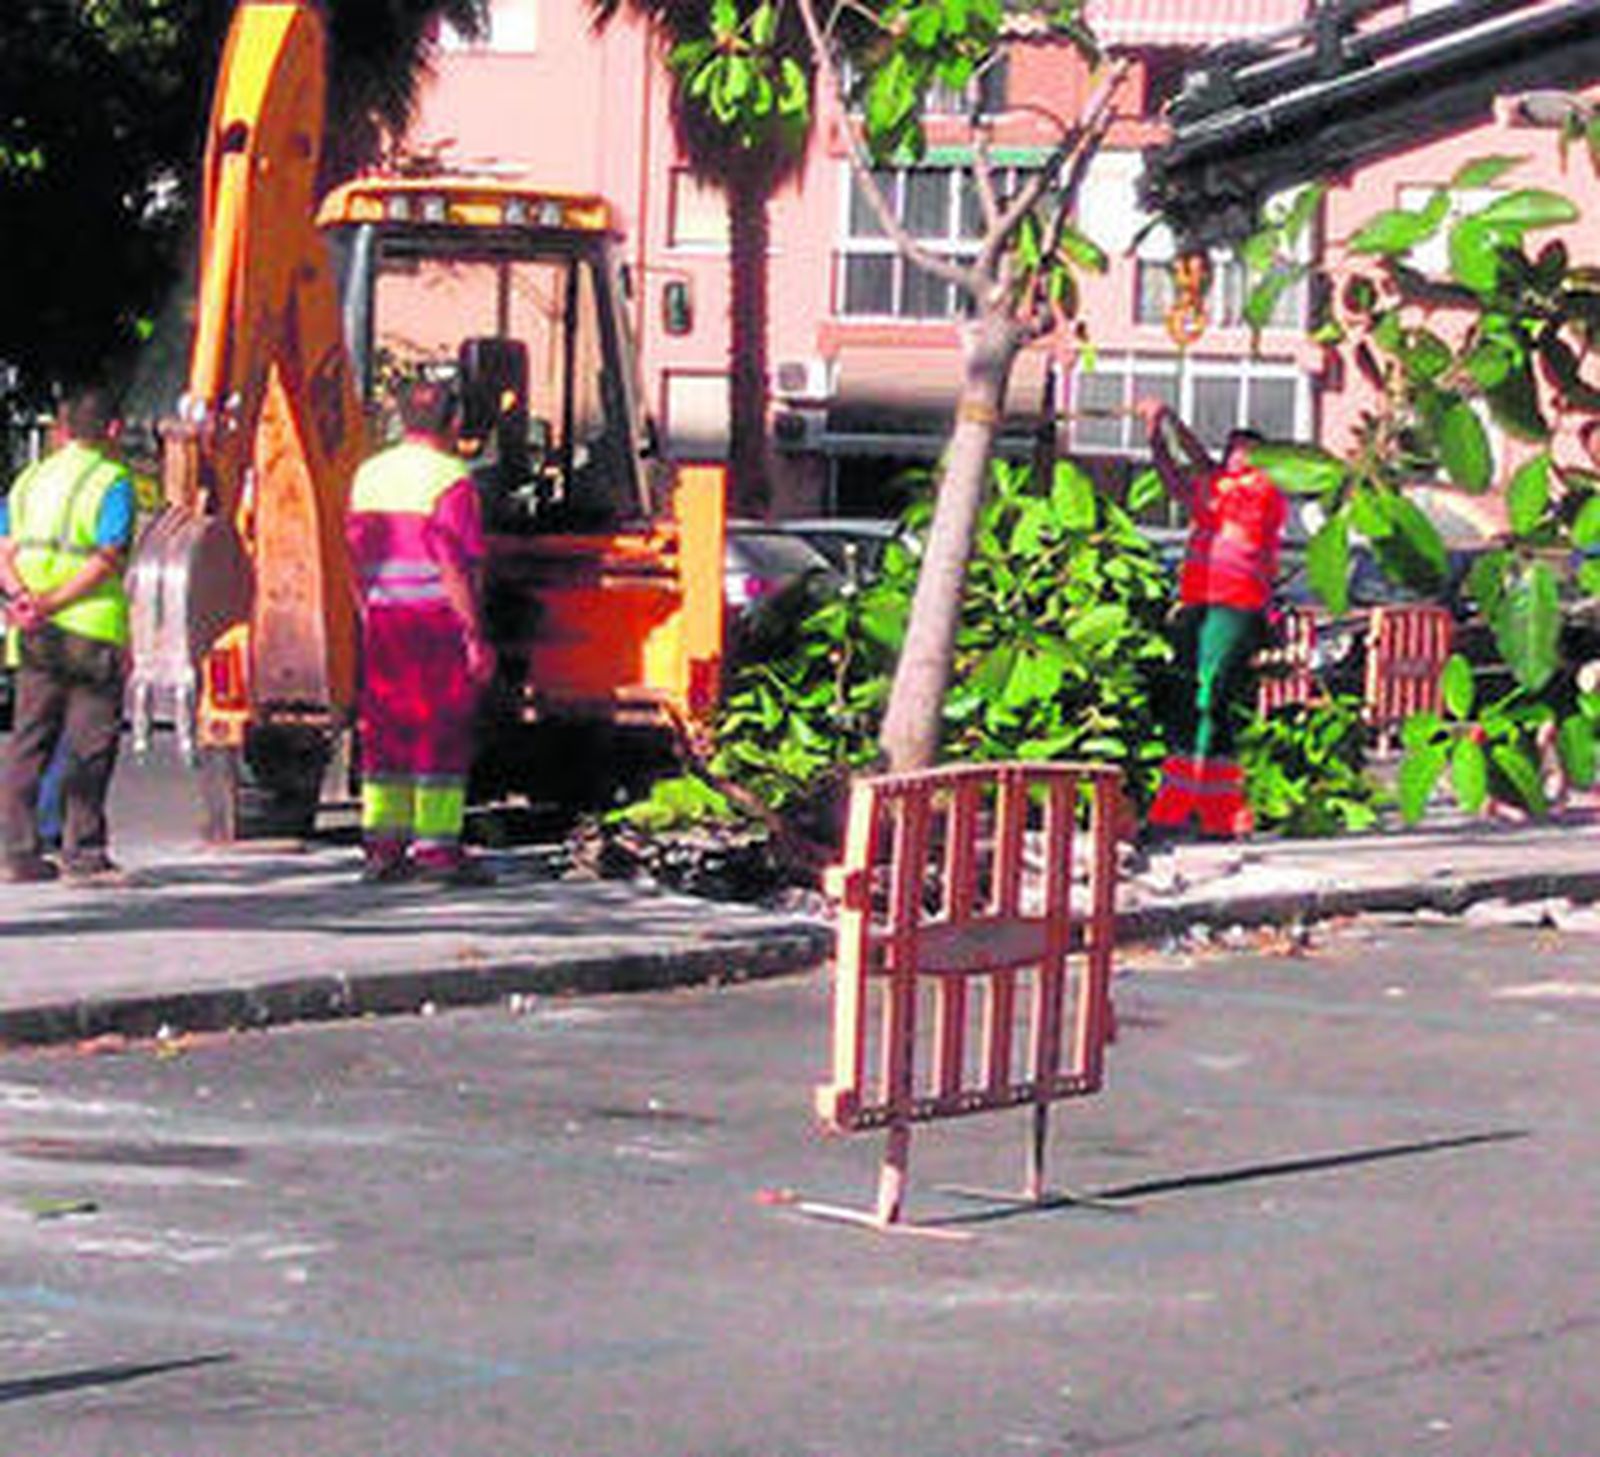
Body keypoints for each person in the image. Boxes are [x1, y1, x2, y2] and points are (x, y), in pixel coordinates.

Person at [346, 376, 496, 885]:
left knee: (386, 730)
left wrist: (366, 611)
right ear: (455, 421)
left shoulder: (369, 475)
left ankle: (382, 847)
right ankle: (435, 850)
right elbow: (453, 564)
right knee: (440, 730)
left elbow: (352, 554)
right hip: (435, 623)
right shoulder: (451, 479)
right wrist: (474, 634)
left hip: (384, 618)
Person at [0, 388, 137, 883]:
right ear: (113, 430)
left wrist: (23, 599)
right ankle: (84, 854)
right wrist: (54, 601)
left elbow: (4, 548)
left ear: (61, 431)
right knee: (89, 742)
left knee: (28, 741)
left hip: (33, 631)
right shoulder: (112, 480)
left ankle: (16, 853)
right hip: (89, 629)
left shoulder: (30, 479)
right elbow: (106, 558)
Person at [1137, 399, 1287, 840]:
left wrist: (1157, 431)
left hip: (1231, 606)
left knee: (1200, 701)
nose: (1234, 456)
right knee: (1206, 703)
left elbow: (1184, 474)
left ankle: (1176, 811)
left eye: (1244, 450)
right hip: (1205, 605)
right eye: (1232, 448)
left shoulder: (1256, 491)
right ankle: (1220, 814)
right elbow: (1197, 464)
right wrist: (1166, 423)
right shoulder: (1228, 484)